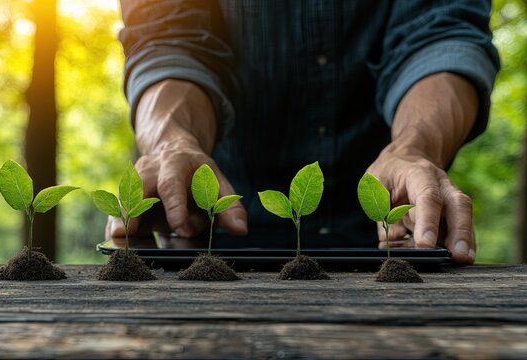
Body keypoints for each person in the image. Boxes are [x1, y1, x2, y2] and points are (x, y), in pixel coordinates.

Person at [106, 0, 500, 264]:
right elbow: (166, 37)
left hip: (394, 237)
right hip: (212, 236)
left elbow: (442, 30)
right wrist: (172, 140)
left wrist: (416, 147)